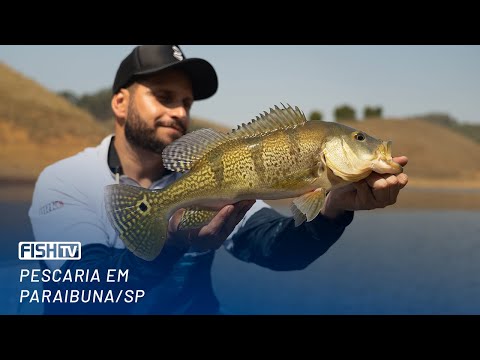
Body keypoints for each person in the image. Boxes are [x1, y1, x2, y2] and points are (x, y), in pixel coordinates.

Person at [28, 45, 409, 315]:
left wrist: (332, 212)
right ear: (120, 102)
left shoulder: (210, 178)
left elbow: (276, 250)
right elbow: (79, 290)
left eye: (187, 102)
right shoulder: (66, 180)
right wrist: (172, 243)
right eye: (164, 96)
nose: (178, 111)